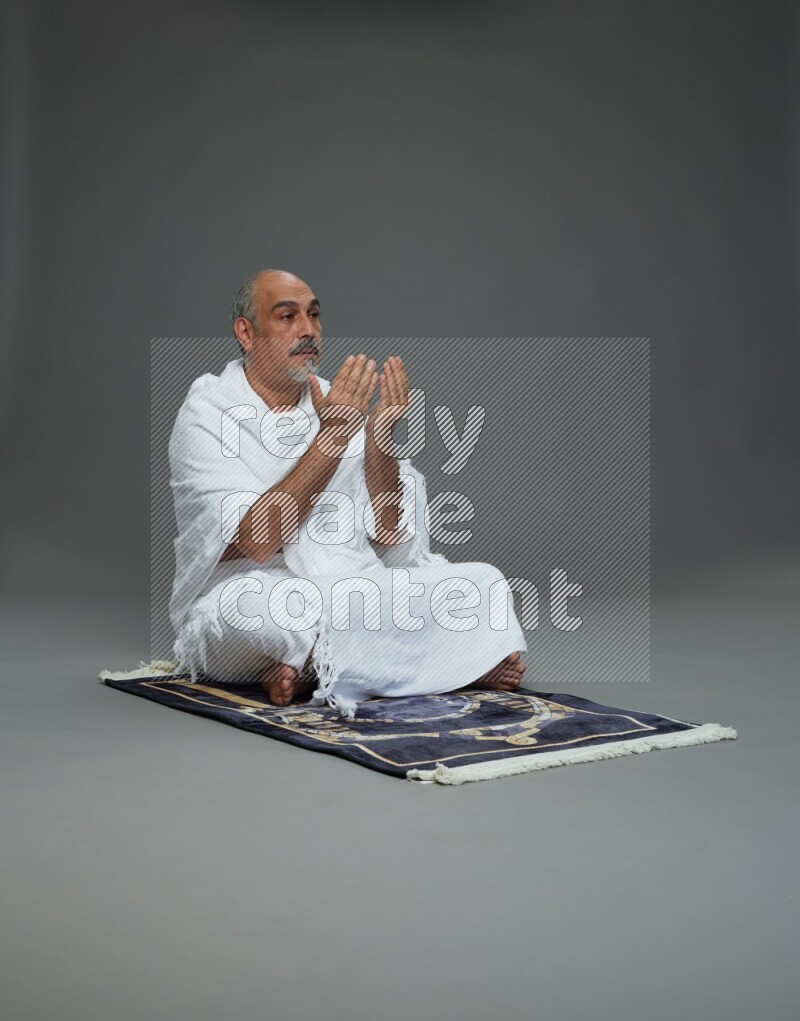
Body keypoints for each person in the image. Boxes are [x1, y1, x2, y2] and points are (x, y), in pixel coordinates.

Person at [168, 269, 526, 719]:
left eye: (314, 316)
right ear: (246, 332)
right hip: (254, 586)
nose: (308, 330)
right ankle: (445, 666)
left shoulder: (339, 398)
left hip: (353, 586)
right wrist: (333, 436)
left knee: (481, 584)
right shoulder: (209, 409)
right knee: (270, 614)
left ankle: (315, 669)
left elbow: (393, 537)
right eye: (287, 316)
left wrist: (378, 435)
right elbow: (258, 542)